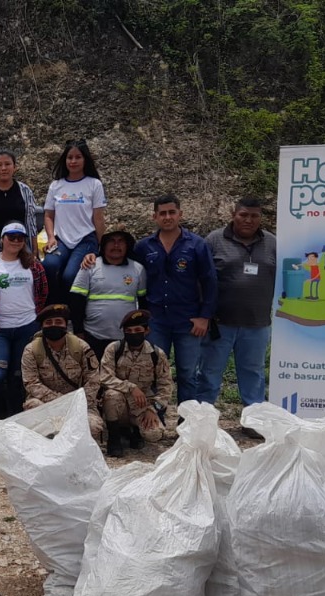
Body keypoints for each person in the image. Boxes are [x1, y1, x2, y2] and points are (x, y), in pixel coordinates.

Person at [196, 199, 277, 427]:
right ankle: (203, 422)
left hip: (257, 323)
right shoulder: (214, 240)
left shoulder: (272, 243)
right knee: (209, 374)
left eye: (254, 216)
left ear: (260, 217)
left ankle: (254, 422)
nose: (248, 220)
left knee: (254, 374)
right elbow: (200, 278)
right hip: (219, 323)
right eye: (243, 215)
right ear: (233, 214)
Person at [134, 194, 218, 404]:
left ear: (180, 214)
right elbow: (131, 278)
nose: (168, 217)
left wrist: (204, 317)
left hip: (188, 320)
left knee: (188, 374)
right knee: (153, 371)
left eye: (172, 212)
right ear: (154, 217)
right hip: (155, 321)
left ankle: (187, 422)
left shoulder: (197, 245)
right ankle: (155, 421)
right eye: (162, 213)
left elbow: (210, 282)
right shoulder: (144, 247)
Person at [0, 222, 48, 423]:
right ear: (2, 239)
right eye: (11, 237)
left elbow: (43, 291)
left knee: (18, 376)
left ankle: (16, 419)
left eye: (20, 238)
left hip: (27, 327)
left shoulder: (33, 264)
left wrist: (35, 313)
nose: (16, 241)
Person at [21, 304, 103, 443]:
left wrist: (78, 404)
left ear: (66, 325)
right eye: (49, 323)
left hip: (78, 404)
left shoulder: (81, 347)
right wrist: (60, 403)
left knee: (93, 426)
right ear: (42, 327)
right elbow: (31, 383)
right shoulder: (31, 350)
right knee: (33, 408)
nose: (54, 325)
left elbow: (93, 380)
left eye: (58, 322)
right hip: (46, 404)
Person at [100, 310, 176, 456]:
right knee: (111, 395)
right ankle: (114, 438)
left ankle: (135, 431)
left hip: (142, 405)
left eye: (137, 330)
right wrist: (130, 387)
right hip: (119, 402)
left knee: (154, 434)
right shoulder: (114, 349)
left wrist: (153, 409)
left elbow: (166, 386)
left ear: (146, 331)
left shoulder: (156, 354)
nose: (133, 334)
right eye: (128, 331)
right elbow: (105, 377)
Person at [42, 140, 107, 304]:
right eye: (69, 157)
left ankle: (72, 312)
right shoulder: (56, 186)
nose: (73, 161)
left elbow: (98, 218)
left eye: (78, 157)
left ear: (85, 160)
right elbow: (49, 215)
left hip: (85, 239)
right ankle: (54, 308)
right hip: (61, 240)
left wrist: (102, 246)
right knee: (49, 265)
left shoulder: (94, 184)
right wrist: (51, 237)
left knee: (70, 275)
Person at [69, 229, 146, 359]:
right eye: (111, 241)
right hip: (92, 336)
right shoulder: (90, 266)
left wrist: (142, 328)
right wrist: (78, 331)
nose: (116, 245)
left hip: (126, 338)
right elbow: (76, 300)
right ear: (104, 244)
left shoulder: (138, 269)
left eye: (121, 241)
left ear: (127, 245)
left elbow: (143, 302)